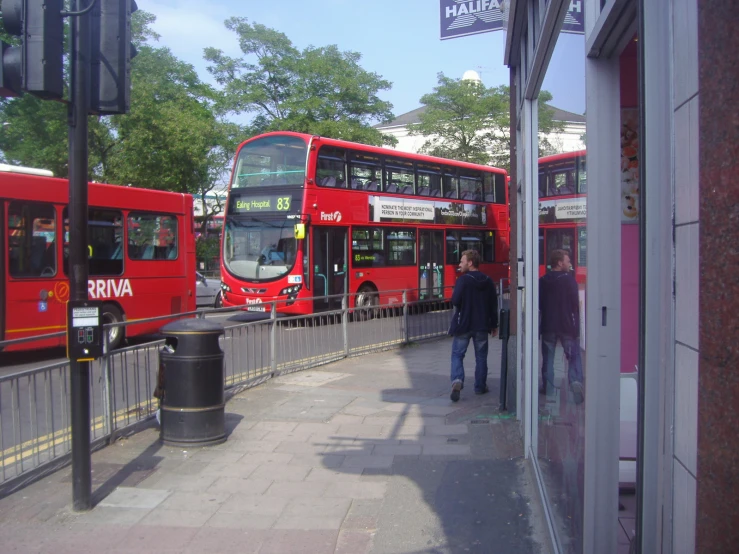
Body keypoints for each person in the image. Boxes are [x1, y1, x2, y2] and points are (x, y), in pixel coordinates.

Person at [448, 250, 499, 402]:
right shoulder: (488, 281)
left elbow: (455, 300)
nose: (459, 264)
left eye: (462, 261)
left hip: (464, 324)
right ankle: (480, 386)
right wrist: (494, 325)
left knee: (457, 354)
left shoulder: (463, 281)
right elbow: (493, 305)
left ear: (470, 263)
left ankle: (457, 380)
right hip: (482, 326)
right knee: (481, 357)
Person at [539, 249, 584, 404]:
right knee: (573, 357)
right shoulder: (569, 280)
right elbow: (575, 305)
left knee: (548, 358)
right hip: (566, 325)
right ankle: (575, 382)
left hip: (548, 325)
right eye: (568, 260)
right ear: (560, 263)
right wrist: (576, 326)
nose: (570, 263)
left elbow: (540, 303)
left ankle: (549, 389)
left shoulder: (543, 280)